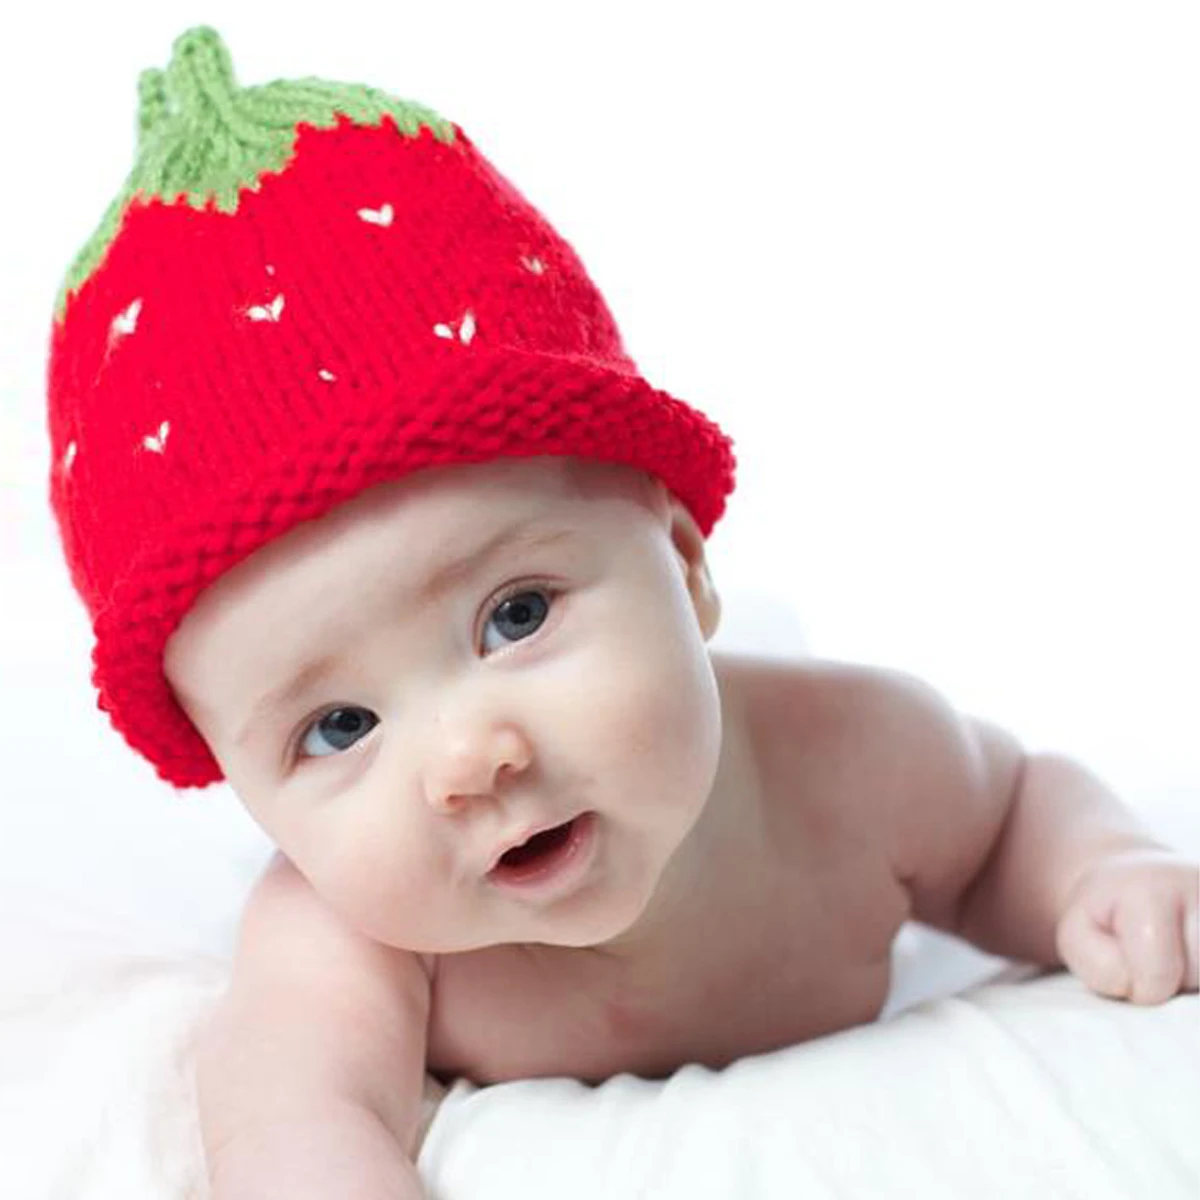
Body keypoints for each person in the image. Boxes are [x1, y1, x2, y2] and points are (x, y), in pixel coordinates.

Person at [45, 26, 1198, 1200]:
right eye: (339, 726)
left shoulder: (851, 759)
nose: (468, 760)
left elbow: (1007, 815)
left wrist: (1098, 868)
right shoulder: (349, 943)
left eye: (517, 615)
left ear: (688, 564)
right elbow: (288, 1122)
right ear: (244, 784)